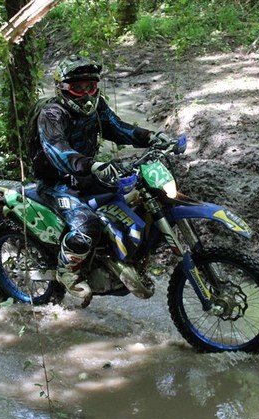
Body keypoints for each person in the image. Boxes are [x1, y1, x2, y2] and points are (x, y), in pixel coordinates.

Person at [30, 54, 172, 306]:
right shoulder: (52, 114)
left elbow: (119, 128)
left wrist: (151, 137)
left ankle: (117, 260)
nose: (85, 94)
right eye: (78, 88)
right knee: (88, 225)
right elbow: (58, 150)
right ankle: (67, 272)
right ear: (63, 89)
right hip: (56, 183)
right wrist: (91, 164)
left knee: (138, 196)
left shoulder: (98, 107)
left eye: (90, 87)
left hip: (88, 176)